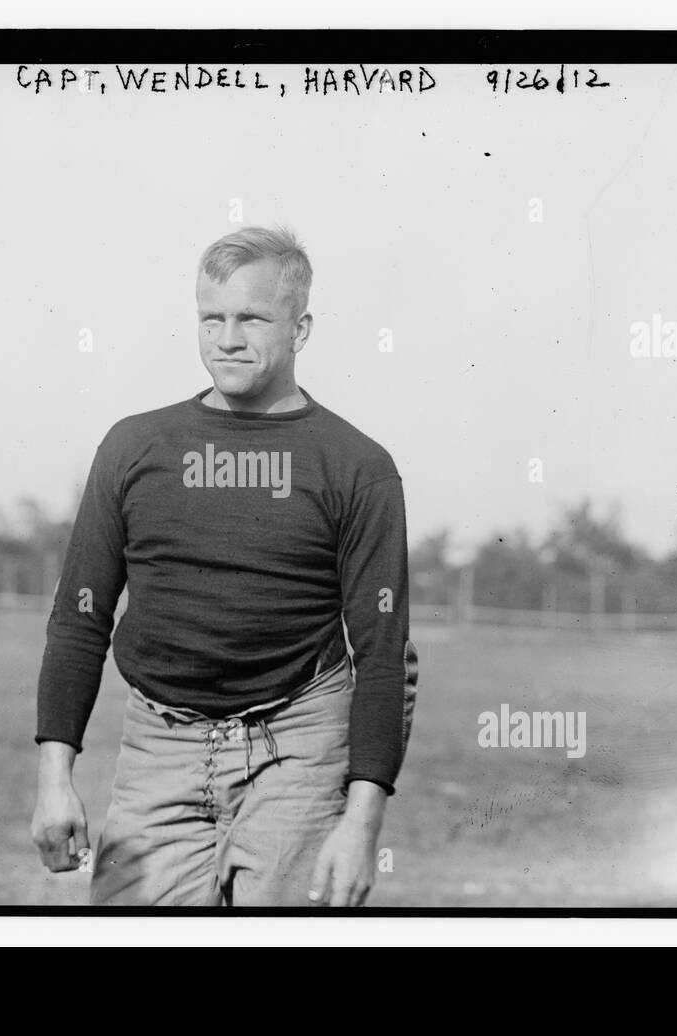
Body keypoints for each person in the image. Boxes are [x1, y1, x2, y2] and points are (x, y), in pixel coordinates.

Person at [30, 225, 418, 907]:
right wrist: (53, 777)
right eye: (212, 317)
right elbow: (78, 619)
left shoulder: (358, 467)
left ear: (300, 328)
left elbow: (384, 656)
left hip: (299, 742)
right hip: (161, 744)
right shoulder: (133, 447)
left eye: (251, 318)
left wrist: (362, 824)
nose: (228, 337)